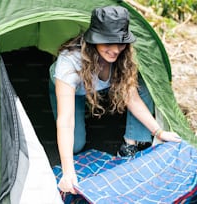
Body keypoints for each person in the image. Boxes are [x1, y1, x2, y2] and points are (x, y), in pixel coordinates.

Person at [49, 6, 182, 194]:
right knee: (76, 145)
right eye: (108, 42)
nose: (115, 50)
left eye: (120, 43)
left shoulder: (123, 56)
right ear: (94, 40)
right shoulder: (70, 62)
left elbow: (132, 98)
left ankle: (131, 142)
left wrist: (159, 132)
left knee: (145, 81)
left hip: (98, 87)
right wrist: (68, 172)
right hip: (70, 91)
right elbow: (65, 120)